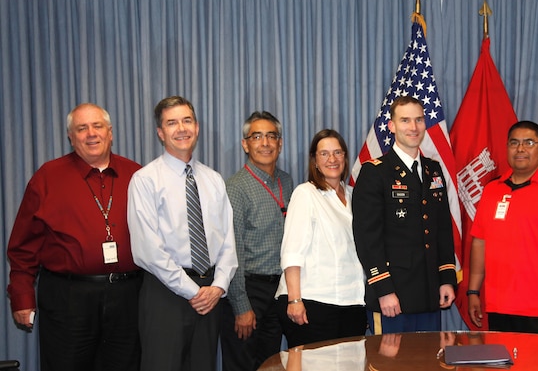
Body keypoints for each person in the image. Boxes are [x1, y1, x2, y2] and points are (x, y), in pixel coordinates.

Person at [6, 103, 142, 371]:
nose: (91, 134)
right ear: (71, 136)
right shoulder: (48, 177)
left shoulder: (137, 175)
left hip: (128, 298)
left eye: (97, 126)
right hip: (68, 299)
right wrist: (22, 296)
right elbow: (24, 246)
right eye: (82, 128)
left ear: (110, 132)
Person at [128, 95, 238, 371]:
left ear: (197, 127)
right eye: (172, 123)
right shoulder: (145, 180)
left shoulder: (213, 179)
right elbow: (148, 250)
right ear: (160, 132)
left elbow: (227, 241)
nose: (181, 129)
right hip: (165, 294)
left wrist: (219, 286)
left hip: (210, 294)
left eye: (187, 120)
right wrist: (193, 291)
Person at [467, 121, 538, 335]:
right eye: (514, 143)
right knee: (500, 367)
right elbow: (480, 242)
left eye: (528, 143)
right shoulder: (492, 190)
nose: (520, 149)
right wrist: (473, 290)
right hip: (498, 306)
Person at [352, 95, 457, 334]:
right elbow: (367, 239)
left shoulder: (433, 169)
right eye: (405, 120)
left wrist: (447, 277)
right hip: (392, 298)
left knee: (428, 363)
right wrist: (384, 289)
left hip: (429, 293)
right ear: (392, 126)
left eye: (419, 120)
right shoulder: (374, 172)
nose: (413, 127)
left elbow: (441, 228)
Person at [275, 129, 366, 346]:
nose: (332, 159)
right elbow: (292, 252)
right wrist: (295, 299)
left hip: (352, 302)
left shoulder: (356, 196)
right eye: (324, 154)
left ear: (345, 156)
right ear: (315, 161)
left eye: (337, 152)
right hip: (311, 303)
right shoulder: (306, 193)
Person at [220, 111, 293, 369]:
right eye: (257, 136)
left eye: (271, 136)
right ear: (245, 144)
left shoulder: (286, 181)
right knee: (242, 364)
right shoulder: (235, 188)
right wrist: (241, 306)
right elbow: (232, 251)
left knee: (270, 363)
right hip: (248, 289)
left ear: (280, 143)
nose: (265, 143)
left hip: (279, 291)